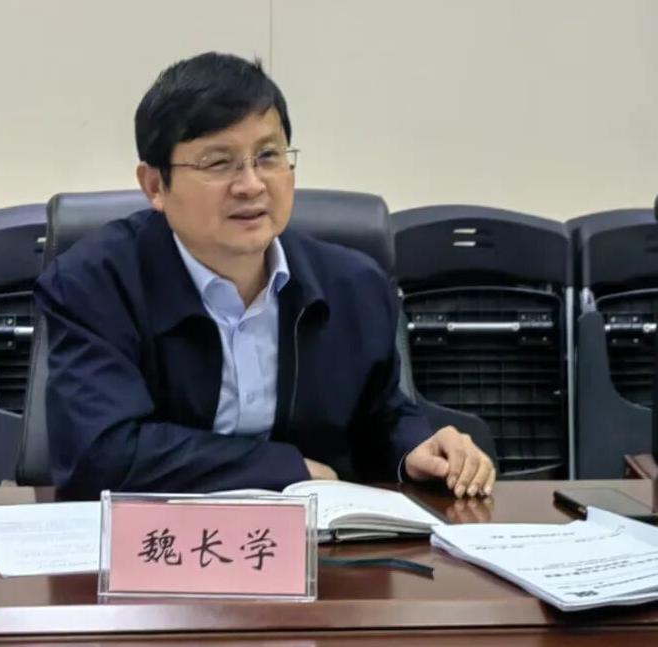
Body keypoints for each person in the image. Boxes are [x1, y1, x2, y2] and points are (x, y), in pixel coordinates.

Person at [35, 52, 496, 500]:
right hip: (153, 543)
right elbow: (102, 455)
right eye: (219, 163)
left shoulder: (354, 286)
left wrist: (415, 448)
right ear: (155, 185)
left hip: (317, 545)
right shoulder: (95, 283)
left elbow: (380, 416)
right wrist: (285, 470)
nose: (252, 184)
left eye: (269, 156)